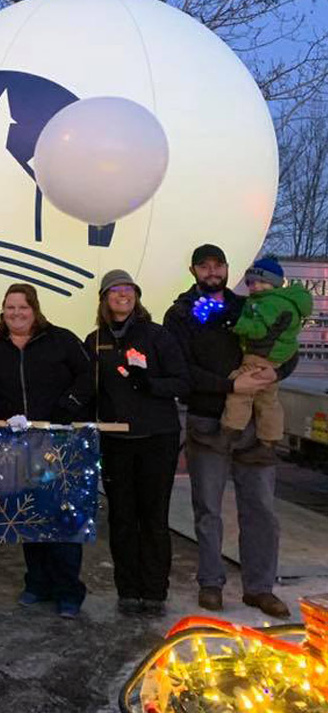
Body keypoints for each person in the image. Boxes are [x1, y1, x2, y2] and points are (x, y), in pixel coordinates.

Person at [163, 244, 297, 618]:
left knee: (261, 509)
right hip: (207, 422)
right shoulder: (180, 314)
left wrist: (277, 373)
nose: (212, 272)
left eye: (217, 265)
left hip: (254, 426)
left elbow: (288, 346)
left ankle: (259, 588)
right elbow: (182, 373)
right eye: (204, 266)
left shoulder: (249, 306)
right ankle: (211, 583)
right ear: (193, 270)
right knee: (208, 509)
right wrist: (229, 387)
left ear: (226, 268)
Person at [0, 283, 93, 618]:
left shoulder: (61, 339)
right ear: (2, 311)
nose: (16, 314)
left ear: (34, 309)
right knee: (29, 514)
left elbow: (87, 376)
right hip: (17, 444)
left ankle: (69, 590)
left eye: (22, 307)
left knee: (63, 517)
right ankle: (37, 583)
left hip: (59, 442)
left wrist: (68, 407)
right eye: (10, 308)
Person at [86, 270, 190, 617]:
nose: (123, 295)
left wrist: (152, 385)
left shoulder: (156, 335)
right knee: (122, 517)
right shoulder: (95, 339)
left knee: (153, 517)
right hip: (116, 441)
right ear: (104, 298)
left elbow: (182, 381)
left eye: (128, 289)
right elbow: (86, 388)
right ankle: (128, 589)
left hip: (156, 439)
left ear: (136, 296)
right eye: (115, 290)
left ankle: (155, 590)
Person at [221, 257, 311, 444]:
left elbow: (259, 330)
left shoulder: (270, 303)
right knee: (268, 400)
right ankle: (270, 437)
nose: (256, 287)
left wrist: (235, 322)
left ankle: (232, 426)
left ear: (275, 284)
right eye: (251, 283)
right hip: (274, 359)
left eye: (262, 282)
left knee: (241, 389)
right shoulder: (278, 301)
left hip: (259, 356)